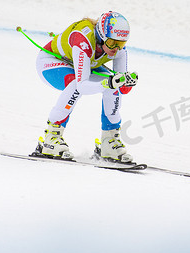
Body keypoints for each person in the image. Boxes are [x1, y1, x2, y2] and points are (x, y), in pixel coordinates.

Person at [32, 11, 138, 162]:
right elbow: (82, 86)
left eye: (121, 43)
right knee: (75, 84)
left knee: (113, 81)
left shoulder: (119, 49)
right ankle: (51, 137)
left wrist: (127, 82)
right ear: (101, 36)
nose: (116, 48)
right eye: (112, 43)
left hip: (80, 64)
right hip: (50, 61)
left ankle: (109, 140)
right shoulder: (83, 39)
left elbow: (120, 87)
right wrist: (108, 83)